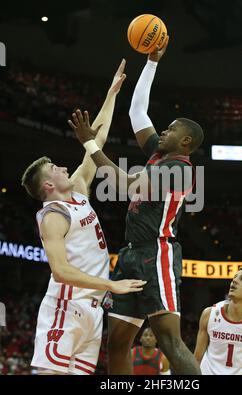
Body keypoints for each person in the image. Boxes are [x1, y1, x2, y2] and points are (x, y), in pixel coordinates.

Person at [68, 38, 204, 375]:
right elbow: (136, 111)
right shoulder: (159, 156)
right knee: (116, 342)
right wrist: (152, 63)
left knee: (169, 341)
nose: (164, 130)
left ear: (185, 141)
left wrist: (88, 142)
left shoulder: (179, 169)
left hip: (156, 254)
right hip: (130, 254)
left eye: (171, 129)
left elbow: (127, 185)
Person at [20, 60, 146, 375]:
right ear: (48, 185)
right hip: (66, 306)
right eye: (56, 169)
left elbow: (96, 141)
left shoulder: (77, 189)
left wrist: (112, 93)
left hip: (91, 309)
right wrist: (111, 285)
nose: (64, 168)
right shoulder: (53, 216)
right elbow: (61, 271)